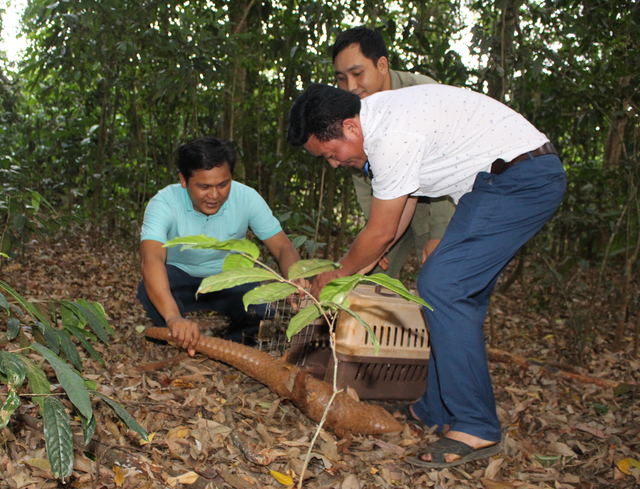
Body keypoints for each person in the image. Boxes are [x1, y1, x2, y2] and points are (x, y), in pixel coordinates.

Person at [287, 84, 566, 467]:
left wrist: (339, 273)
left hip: (519, 180)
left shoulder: (390, 135)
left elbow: (381, 229)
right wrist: (366, 260)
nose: (334, 164)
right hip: (501, 182)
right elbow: (400, 209)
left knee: (442, 286)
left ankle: (477, 425)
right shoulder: (380, 121)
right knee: (452, 294)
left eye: (331, 154)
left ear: (350, 128)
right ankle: (434, 407)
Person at [137, 137, 303, 356]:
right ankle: (177, 332)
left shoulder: (247, 198)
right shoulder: (164, 203)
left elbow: (283, 247)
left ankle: (226, 346)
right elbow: (151, 260)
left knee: (262, 311)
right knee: (148, 291)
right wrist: (173, 317)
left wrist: (295, 278)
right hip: (180, 277)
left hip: (229, 278)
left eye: (223, 185)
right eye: (204, 187)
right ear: (183, 180)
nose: (214, 195)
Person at [332, 26, 455, 277]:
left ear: (382, 65)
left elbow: (449, 164)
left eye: (357, 73)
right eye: (341, 78)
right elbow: (364, 179)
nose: (351, 86)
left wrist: (441, 233)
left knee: (437, 275)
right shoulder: (353, 116)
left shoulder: (422, 92)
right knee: (367, 275)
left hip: (437, 202)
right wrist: (377, 242)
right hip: (390, 210)